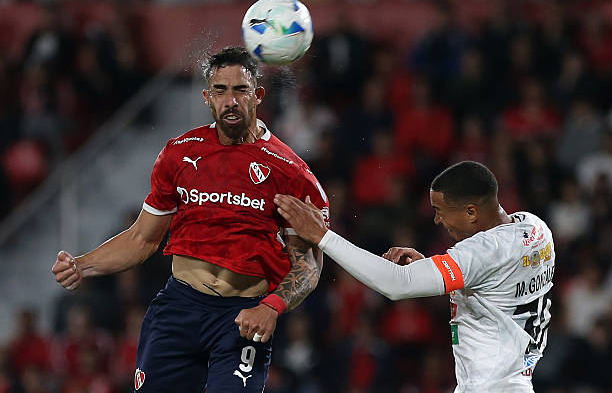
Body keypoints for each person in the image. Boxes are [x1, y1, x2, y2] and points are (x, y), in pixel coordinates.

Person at [52, 46, 330, 393]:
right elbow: (142, 238)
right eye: (220, 90)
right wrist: (82, 265)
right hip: (180, 308)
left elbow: (309, 266)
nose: (230, 101)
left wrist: (271, 307)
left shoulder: (292, 173)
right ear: (207, 97)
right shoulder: (180, 153)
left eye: (240, 90)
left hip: (244, 316)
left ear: (257, 96)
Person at [275, 160, 554, 392]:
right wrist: (431, 268)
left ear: (471, 212)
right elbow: (495, 286)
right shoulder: (535, 228)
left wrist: (323, 236)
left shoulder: (483, 252)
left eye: (440, 211)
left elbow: (398, 284)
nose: (437, 220)